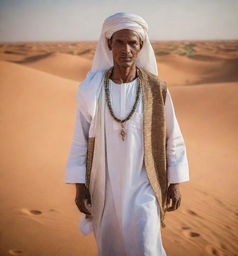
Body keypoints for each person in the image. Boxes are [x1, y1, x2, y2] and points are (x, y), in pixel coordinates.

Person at [64, 12, 190, 256]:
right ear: (109, 44)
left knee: (146, 246)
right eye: (119, 42)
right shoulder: (91, 89)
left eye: (133, 42)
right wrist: (79, 187)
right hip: (105, 185)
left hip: (145, 184)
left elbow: (172, 136)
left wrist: (175, 182)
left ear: (141, 46)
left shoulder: (156, 89)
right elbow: (79, 139)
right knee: (111, 248)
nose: (126, 49)